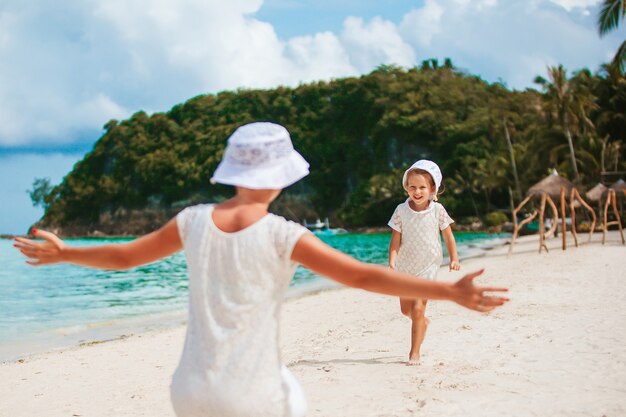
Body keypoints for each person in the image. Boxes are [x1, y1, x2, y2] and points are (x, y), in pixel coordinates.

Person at [14, 122, 508, 417]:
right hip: (253, 393)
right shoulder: (283, 234)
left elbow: (123, 257)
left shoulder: (192, 221)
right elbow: (361, 276)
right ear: (282, 176)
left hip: (188, 389)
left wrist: (66, 252)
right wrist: (450, 293)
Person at [387, 159, 460, 365]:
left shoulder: (438, 210)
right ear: (406, 188)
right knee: (405, 310)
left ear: (432, 188)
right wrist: (392, 262)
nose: (417, 191)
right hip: (405, 266)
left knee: (418, 308)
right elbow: (395, 240)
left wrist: (454, 258)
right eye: (412, 187)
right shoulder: (401, 210)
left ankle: (414, 353)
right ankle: (421, 323)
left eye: (422, 187)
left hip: (429, 265)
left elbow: (448, 237)